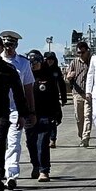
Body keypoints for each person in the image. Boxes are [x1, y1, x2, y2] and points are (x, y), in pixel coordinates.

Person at [0, 36, 31, 191]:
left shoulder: (14, 67)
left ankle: (5, 176)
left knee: (4, 143)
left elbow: (22, 91)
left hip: (6, 112)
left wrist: (25, 113)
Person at [0, 31, 35, 189]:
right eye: (6, 44)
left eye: (11, 45)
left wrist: (31, 111)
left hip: (15, 109)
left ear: (16, 46)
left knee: (13, 143)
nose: (8, 48)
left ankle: (11, 175)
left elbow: (28, 89)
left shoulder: (23, 63)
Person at [27, 50, 66, 181]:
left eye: (36, 62)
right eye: (31, 62)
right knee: (30, 143)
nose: (33, 65)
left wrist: (57, 112)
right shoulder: (26, 76)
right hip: (29, 114)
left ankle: (44, 170)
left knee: (42, 142)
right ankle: (35, 165)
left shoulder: (47, 76)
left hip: (45, 114)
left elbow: (55, 95)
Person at [66, 41, 94, 147]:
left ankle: (86, 137)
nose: (80, 55)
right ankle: (81, 135)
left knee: (88, 116)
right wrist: (69, 77)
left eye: (82, 52)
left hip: (88, 93)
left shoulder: (92, 62)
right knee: (79, 118)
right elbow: (67, 77)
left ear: (87, 51)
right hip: (77, 93)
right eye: (79, 53)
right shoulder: (74, 62)